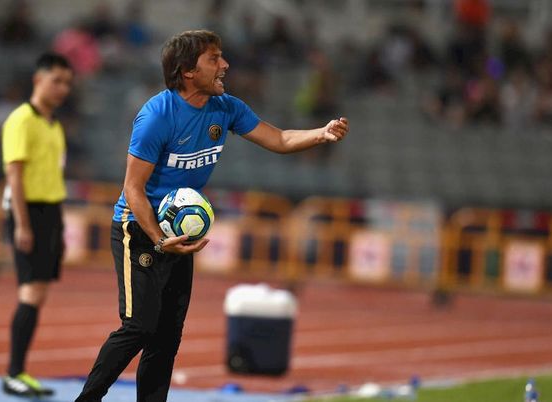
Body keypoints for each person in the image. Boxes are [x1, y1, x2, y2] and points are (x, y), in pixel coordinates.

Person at [74, 30, 348, 402]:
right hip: (138, 229)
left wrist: (322, 133)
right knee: (139, 326)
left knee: (167, 337)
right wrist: (159, 239)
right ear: (188, 71)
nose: (225, 65)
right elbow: (133, 189)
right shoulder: (157, 115)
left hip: (178, 236)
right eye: (214, 59)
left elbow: (280, 139)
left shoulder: (226, 108)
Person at [0, 52, 73, 397]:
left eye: (67, 83)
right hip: (27, 210)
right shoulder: (21, 120)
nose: (63, 88)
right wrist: (22, 225)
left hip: (50, 211)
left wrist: (60, 227)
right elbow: (14, 174)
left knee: (38, 294)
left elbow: (53, 176)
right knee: (30, 293)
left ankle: (20, 372)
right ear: (38, 80)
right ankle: (13, 373)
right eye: (56, 81)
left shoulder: (54, 124)